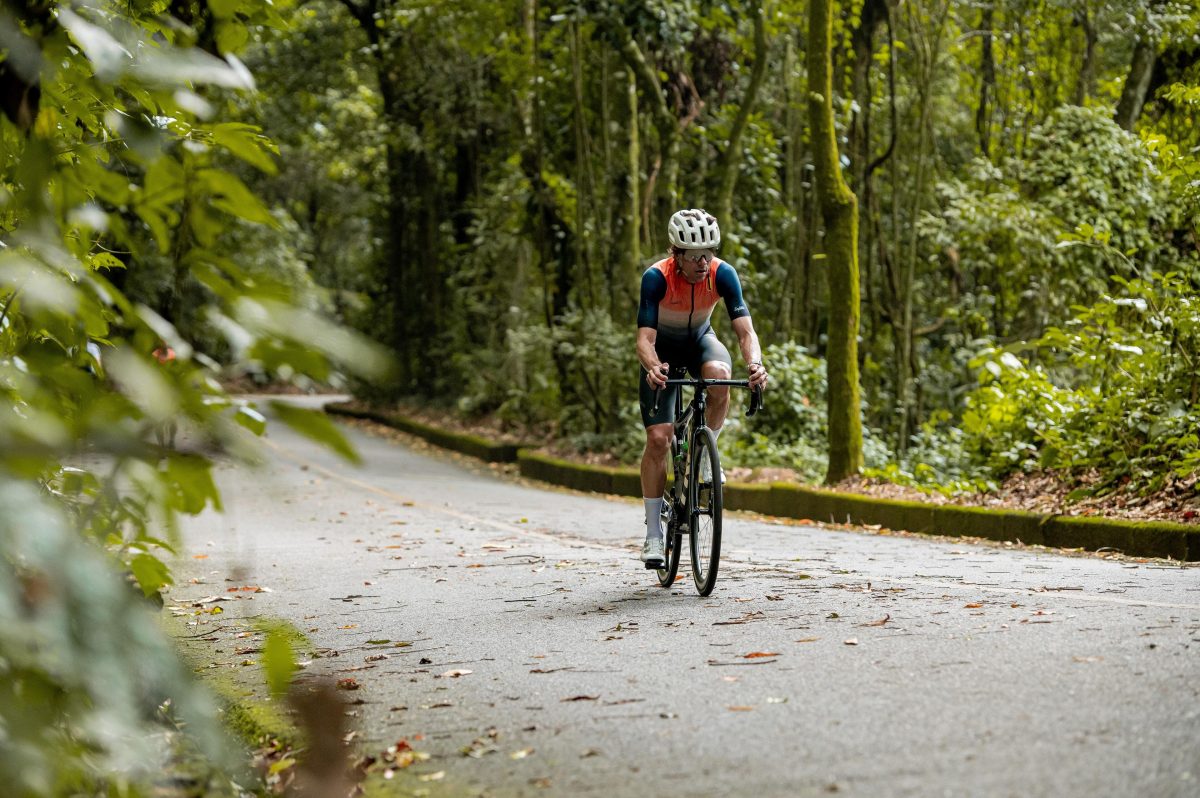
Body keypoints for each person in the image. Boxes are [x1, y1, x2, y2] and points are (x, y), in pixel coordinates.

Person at [637, 208, 768, 568]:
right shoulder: (656, 278)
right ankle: (652, 534)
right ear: (675, 253)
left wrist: (755, 365)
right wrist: (652, 367)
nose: (702, 262)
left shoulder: (722, 274)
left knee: (720, 376)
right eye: (694, 256)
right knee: (659, 439)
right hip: (662, 351)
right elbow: (644, 340)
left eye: (708, 253)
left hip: (699, 341)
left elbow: (745, 332)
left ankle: (704, 456)